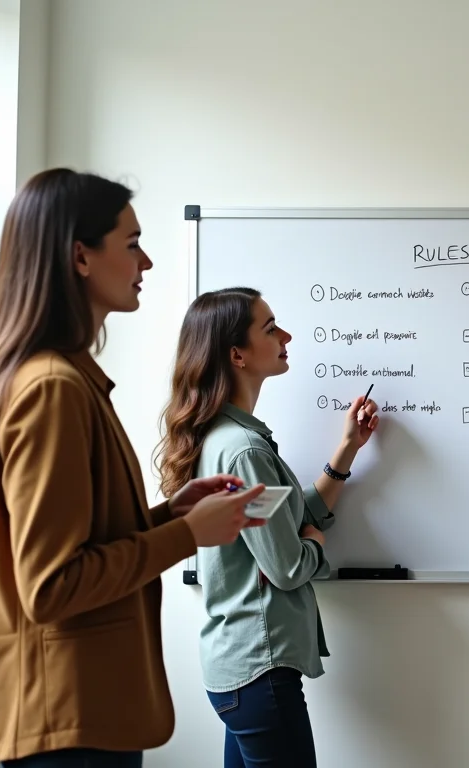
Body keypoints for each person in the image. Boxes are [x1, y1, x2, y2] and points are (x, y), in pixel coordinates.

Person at [0, 169, 267, 768]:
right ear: (81, 257)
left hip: (73, 714)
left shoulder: (66, 380)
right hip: (63, 720)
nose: (146, 263)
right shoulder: (51, 389)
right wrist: (187, 535)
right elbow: (52, 585)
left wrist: (173, 512)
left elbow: (77, 539)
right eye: (133, 243)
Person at [155, 286, 379, 768]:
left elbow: (290, 515)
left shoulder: (227, 438)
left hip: (239, 672)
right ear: (237, 354)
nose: (287, 336)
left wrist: (347, 450)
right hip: (261, 673)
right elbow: (287, 565)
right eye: (271, 328)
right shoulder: (244, 449)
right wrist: (315, 546)